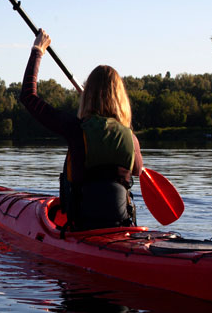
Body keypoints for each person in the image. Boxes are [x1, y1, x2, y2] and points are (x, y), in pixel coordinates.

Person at [20, 29, 143, 231]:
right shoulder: (131, 138)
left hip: (83, 228)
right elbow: (138, 170)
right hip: (122, 227)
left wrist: (37, 50)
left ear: (88, 95)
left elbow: (28, 96)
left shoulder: (75, 129)